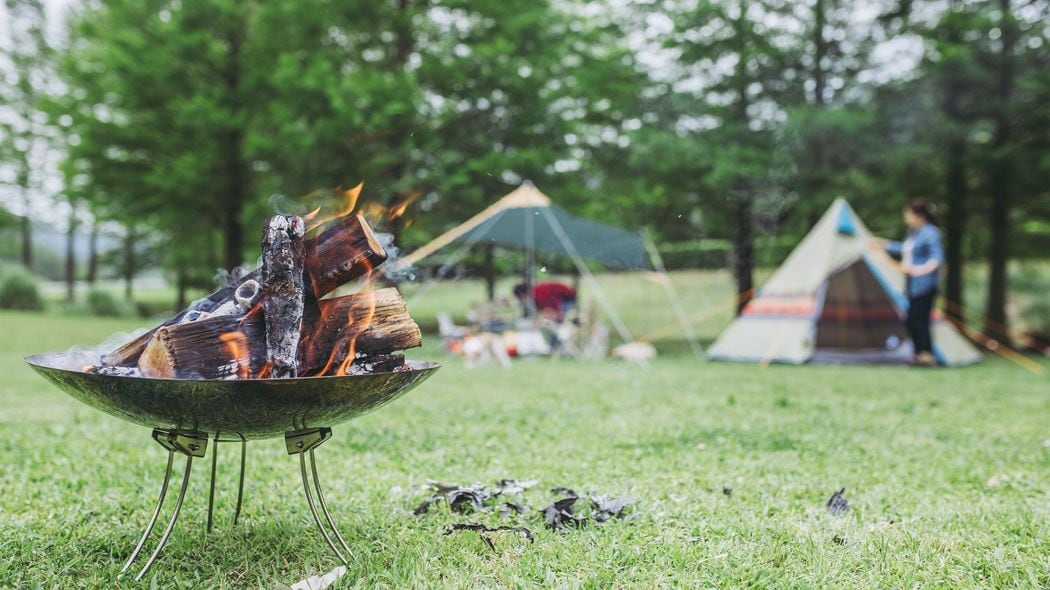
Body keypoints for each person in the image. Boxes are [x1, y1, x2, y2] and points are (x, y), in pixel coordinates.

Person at [871, 198, 944, 366]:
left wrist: (921, 270)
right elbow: (906, 248)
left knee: (921, 320)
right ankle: (918, 354)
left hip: (925, 285)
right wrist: (884, 245)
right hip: (912, 284)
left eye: (908, 213)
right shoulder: (913, 232)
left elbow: (936, 259)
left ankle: (926, 355)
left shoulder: (931, 232)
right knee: (911, 319)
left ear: (918, 215)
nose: (906, 217)